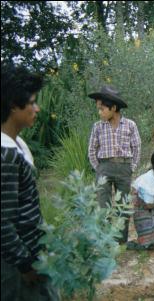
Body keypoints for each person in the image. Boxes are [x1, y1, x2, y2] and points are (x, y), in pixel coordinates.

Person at [1, 63, 59, 300]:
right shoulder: (5, 156)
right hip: (14, 266)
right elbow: (3, 222)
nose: (37, 108)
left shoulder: (17, 145)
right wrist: (25, 263)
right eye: (32, 102)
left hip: (31, 255)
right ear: (14, 105)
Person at [88, 85, 141, 244]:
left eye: (102, 109)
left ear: (114, 108)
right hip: (104, 167)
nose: (99, 113)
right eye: (98, 109)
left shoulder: (130, 125)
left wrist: (132, 167)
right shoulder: (98, 126)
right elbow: (92, 149)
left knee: (122, 206)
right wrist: (98, 168)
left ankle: (120, 242)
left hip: (124, 168)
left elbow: (137, 147)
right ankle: (105, 240)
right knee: (102, 205)